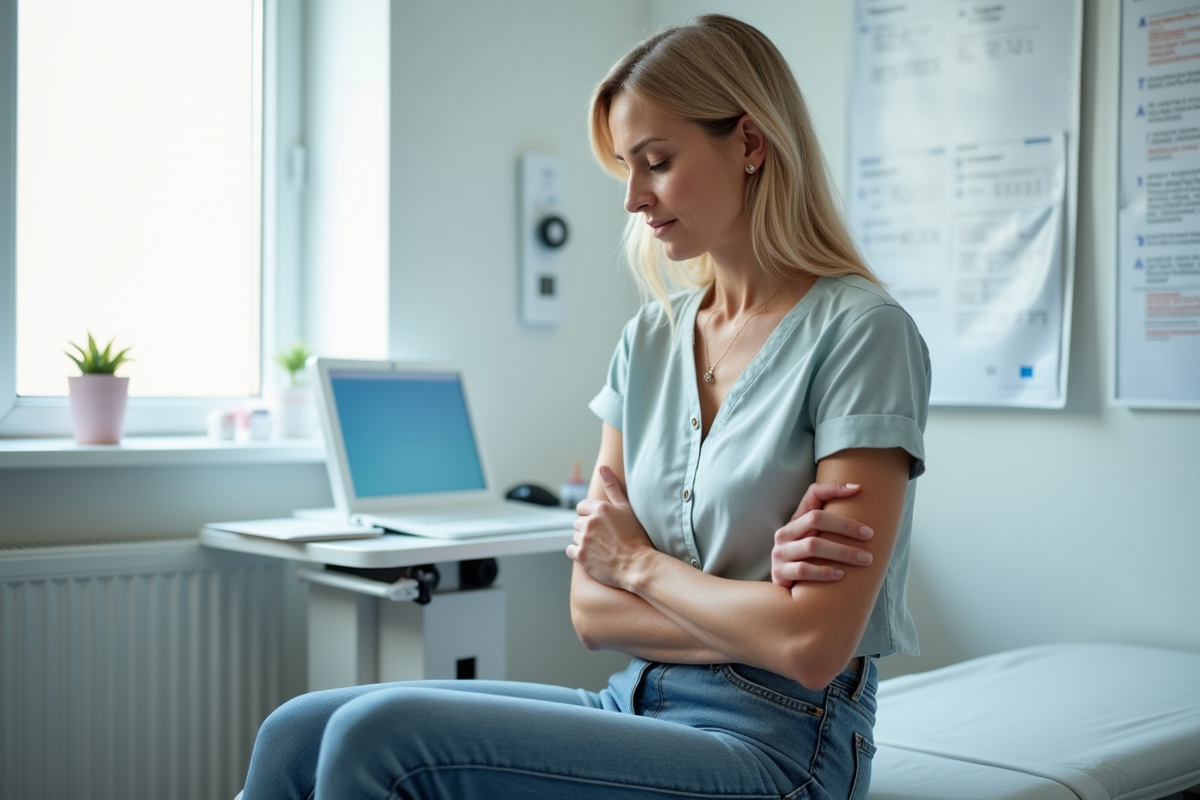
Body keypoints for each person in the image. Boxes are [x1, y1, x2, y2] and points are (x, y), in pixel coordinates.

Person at [241, 13, 929, 800]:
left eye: (658, 162)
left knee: (380, 737)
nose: (634, 197)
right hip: (636, 701)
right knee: (297, 730)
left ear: (749, 142)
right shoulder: (649, 340)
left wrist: (640, 566)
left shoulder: (863, 334)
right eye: (626, 170)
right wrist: (754, 611)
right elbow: (594, 612)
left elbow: (811, 647)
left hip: (781, 743)